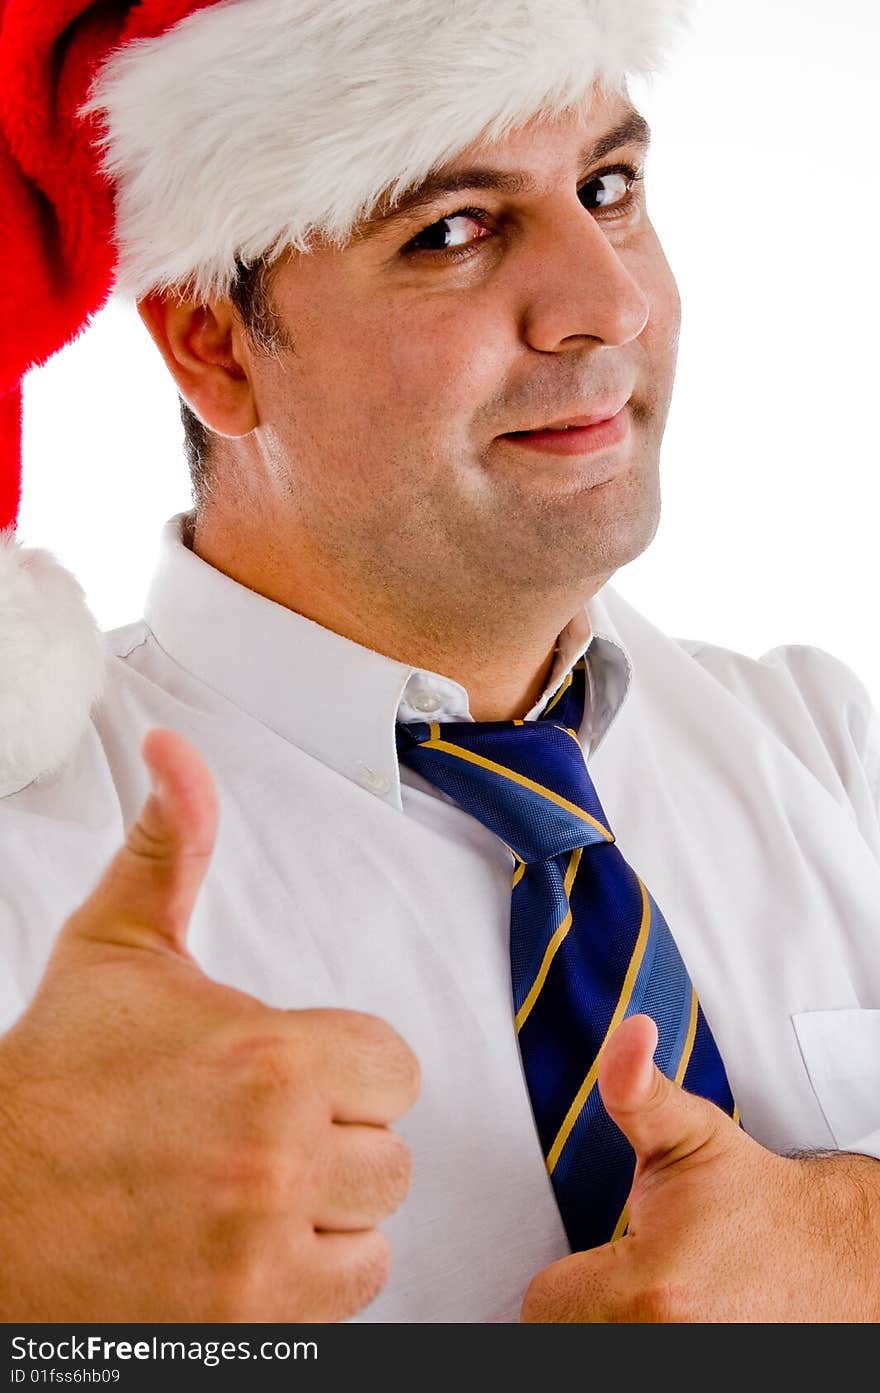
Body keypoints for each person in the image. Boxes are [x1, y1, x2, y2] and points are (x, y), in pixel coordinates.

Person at [1, 0, 879, 1324]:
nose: (610, 301)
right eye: (453, 229)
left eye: (609, 186)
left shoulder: (833, 749)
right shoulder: (34, 877)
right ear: (213, 343)